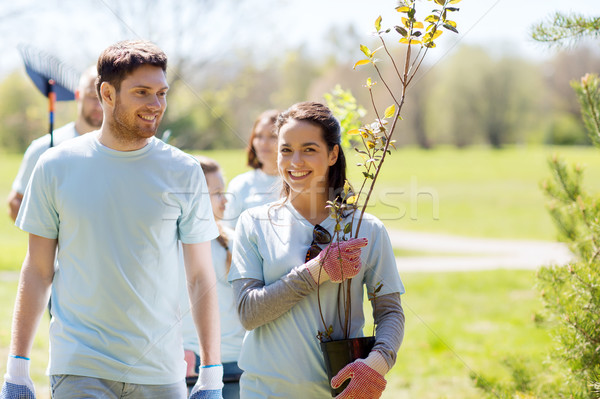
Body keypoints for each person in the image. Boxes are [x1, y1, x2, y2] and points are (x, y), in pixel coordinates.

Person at [1, 40, 223, 399]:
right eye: (142, 92)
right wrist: (17, 368)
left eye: (162, 93)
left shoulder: (184, 171)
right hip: (79, 368)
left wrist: (211, 373)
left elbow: (200, 277)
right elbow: (37, 270)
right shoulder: (55, 166)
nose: (156, 105)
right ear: (107, 93)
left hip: (160, 372)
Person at [228, 101, 405, 398]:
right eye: (286, 150)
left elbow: (390, 312)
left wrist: (376, 363)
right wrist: (316, 272)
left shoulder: (366, 229)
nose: (295, 161)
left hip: (340, 393)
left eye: (309, 149)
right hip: (264, 391)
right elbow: (248, 313)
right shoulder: (254, 223)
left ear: (333, 154)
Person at [181, 156, 244, 398]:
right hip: (189, 363)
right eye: (216, 193)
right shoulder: (175, 244)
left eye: (223, 190)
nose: (225, 199)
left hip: (234, 363)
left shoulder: (233, 238)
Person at [6, 65, 103, 222]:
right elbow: (16, 202)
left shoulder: (121, 150)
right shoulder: (44, 148)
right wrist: (48, 234)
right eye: (92, 95)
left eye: (104, 97)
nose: (99, 105)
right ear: (78, 95)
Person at [223, 109, 280, 228]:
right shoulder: (239, 184)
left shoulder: (299, 183)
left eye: (272, 136)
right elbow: (229, 231)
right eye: (259, 136)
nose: (264, 143)